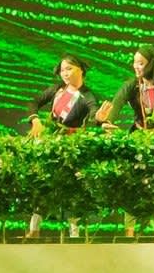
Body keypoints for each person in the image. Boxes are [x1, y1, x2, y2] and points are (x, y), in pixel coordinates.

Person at [25, 55, 99, 238]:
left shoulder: (87, 95)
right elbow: (34, 102)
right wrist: (35, 120)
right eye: (62, 70)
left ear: (81, 70)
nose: (65, 73)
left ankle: (74, 233)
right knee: (44, 184)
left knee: (72, 188)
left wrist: (100, 119)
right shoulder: (57, 89)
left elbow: (94, 112)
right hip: (50, 145)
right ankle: (34, 230)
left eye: (69, 69)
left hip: (71, 148)